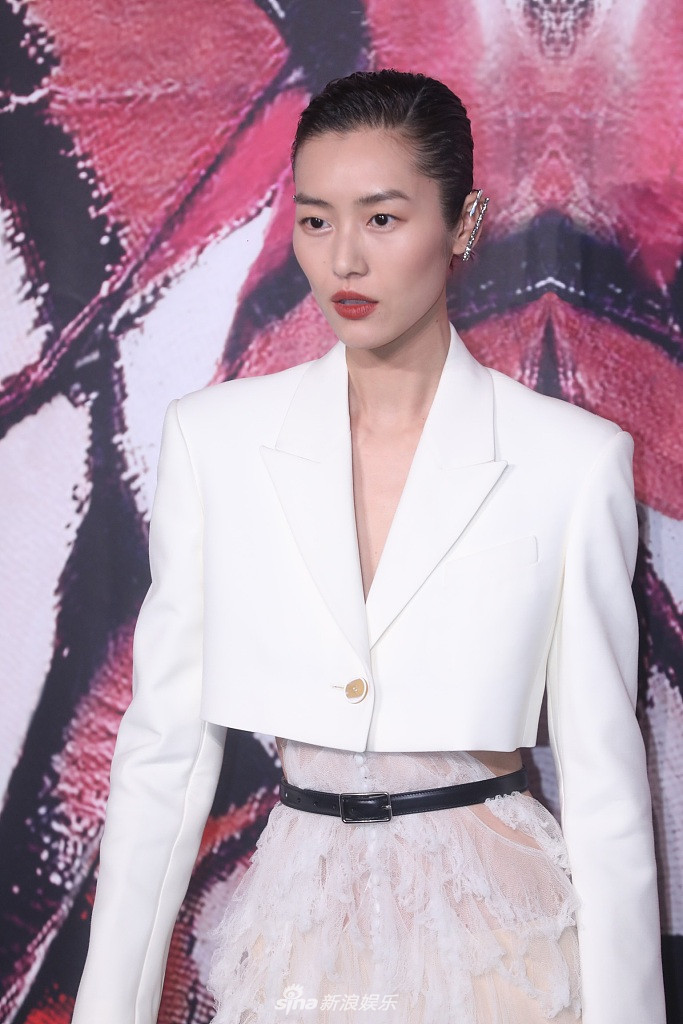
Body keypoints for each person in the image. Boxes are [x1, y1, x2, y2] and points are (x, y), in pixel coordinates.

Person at [70, 70, 666, 1024]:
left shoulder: (570, 461)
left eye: (382, 219)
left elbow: (605, 788)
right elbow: (162, 758)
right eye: (315, 220)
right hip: (299, 940)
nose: (343, 258)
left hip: (501, 953)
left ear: (463, 224)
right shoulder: (215, 442)